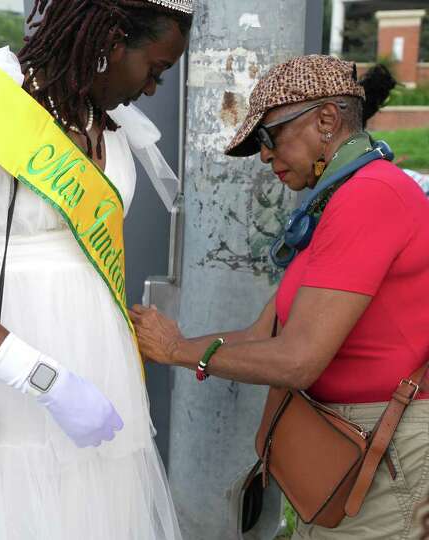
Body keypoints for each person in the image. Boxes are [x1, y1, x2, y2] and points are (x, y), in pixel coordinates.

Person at [0, 1, 192, 538]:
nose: (152, 89)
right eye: (155, 69)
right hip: (7, 369)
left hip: (98, 363)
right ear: (112, 39)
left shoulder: (110, 119)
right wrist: (48, 382)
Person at [131, 57, 429, 539]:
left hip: (386, 452)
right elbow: (259, 336)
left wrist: (178, 352)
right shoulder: (338, 199)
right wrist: (168, 343)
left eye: (269, 137)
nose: (265, 157)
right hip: (349, 445)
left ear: (326, 120)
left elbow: (296, 361)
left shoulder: (370, 195)